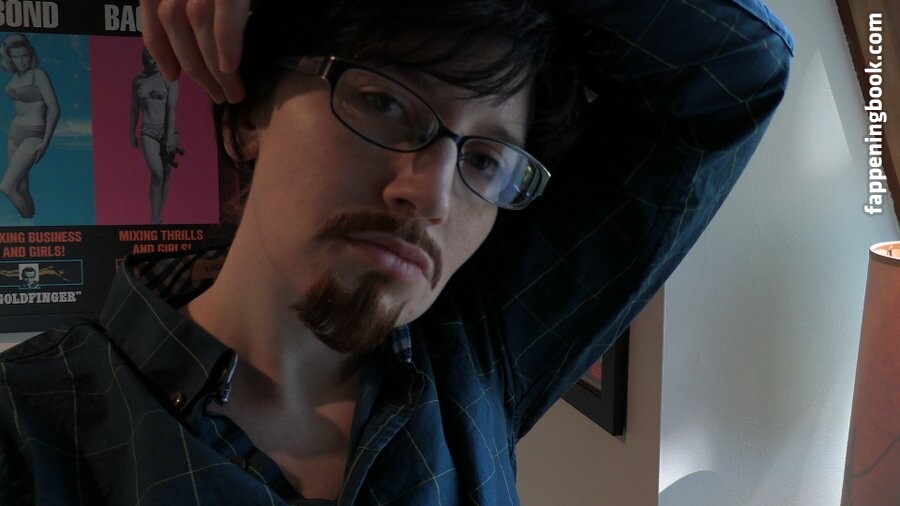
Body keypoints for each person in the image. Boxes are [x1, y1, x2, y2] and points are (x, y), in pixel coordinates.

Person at [0, 1, 794, 504]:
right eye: (383, 103)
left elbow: (737, 68)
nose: (432, 195)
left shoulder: (475, 356)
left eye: (486, 159)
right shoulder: (30, 428)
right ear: (247, 119)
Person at [0, 33, 59, 219]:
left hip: (34, 134)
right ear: (10, 57)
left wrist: (45, 143)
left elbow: (55, 109)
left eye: (24, 56)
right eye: (16, 57)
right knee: (22, 187)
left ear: (31, 54)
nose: (21, 61)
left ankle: (28, 221)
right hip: (14, 133)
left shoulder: (38, 74)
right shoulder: (14, 73)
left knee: (7, 187)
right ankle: (30, 223)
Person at [130, 48, 181, 224]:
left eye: (157, 58)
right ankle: (154, 219)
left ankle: (158, 216)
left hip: (169, 132)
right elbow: (134, 109)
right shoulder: (138, 81)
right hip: (148, 132)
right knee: (157, 174)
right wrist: (131, 132)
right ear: (145, 59)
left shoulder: (170, 80)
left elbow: (171, 110)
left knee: (165, 175)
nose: (154, 62)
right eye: (150, 59)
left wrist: (169, 136)